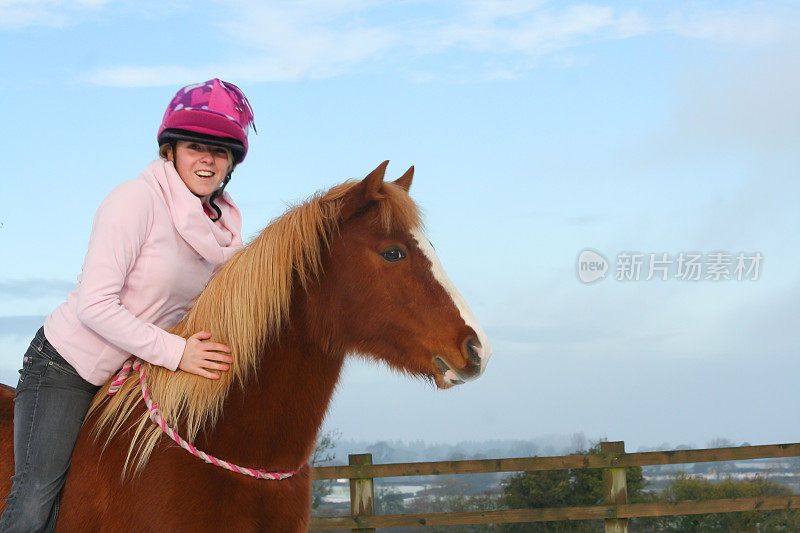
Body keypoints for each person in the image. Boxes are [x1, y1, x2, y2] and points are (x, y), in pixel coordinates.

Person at [0, 78, 255, 532]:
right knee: (38, 494)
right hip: (68, 367)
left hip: (139, 371)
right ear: (170, 150)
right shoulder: (134, 201)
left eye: (220, 151)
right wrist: (179, 353)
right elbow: (94, 305)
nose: (208, 159)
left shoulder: (225, 229)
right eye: (196, 146)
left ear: (232, 163)